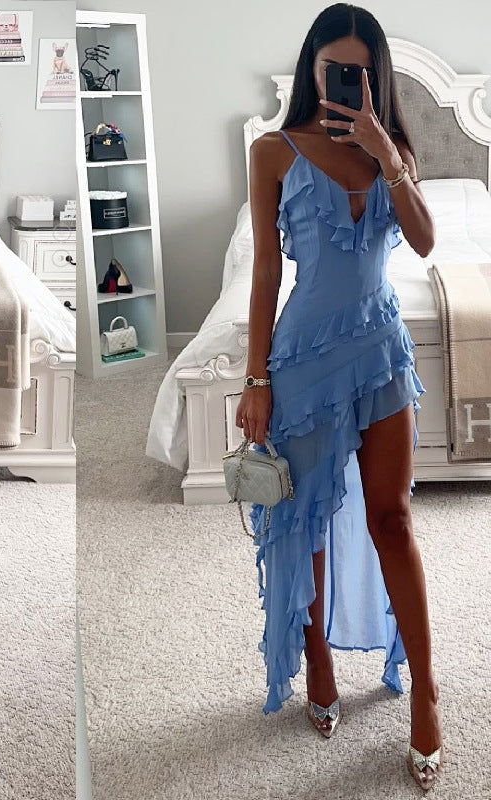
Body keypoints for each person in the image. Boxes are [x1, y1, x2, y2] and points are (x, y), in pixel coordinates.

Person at [234, 3, 444, 791]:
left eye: (362, 71)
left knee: (394, 520)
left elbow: (424, 240)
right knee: (307, 523)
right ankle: (317, 657)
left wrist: (388, 155)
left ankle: (425, 689)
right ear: (313, 71)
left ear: (377, 77)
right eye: (336, 70)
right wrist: (255, 380)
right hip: (303, 363)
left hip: (380, 352)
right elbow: (265, 271)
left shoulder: (397, 152)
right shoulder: (272, 152)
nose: (349, 82)